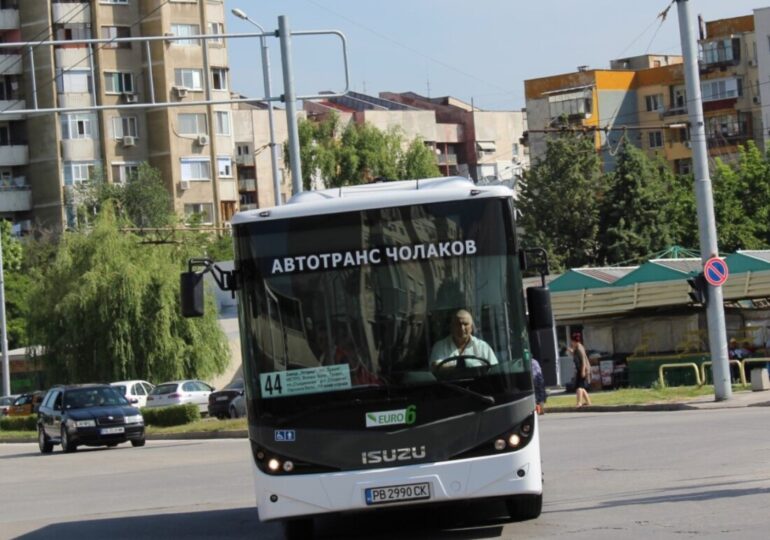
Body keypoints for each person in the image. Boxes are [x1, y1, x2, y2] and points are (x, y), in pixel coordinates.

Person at [429, 309, 498, 369]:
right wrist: (464, 368)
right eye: (458, 324)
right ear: (451, 326)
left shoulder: (483, 346)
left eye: (465, 324)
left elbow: (494, 369)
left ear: (472, 327)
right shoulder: (440, 346)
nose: (462, 328)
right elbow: (435, 366)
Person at [567, 332, 592, 408]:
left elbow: (583, 360)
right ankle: (588, 402)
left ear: (574, 341)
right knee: (582, 387)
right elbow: (575, 354)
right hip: (579, 369)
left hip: (583, 369)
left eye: (572, 341)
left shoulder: (580, 348)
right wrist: (570, 351)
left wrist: (583, 371)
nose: (571, 343)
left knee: (579, 387)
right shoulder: (577, 348)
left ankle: (579, 403)